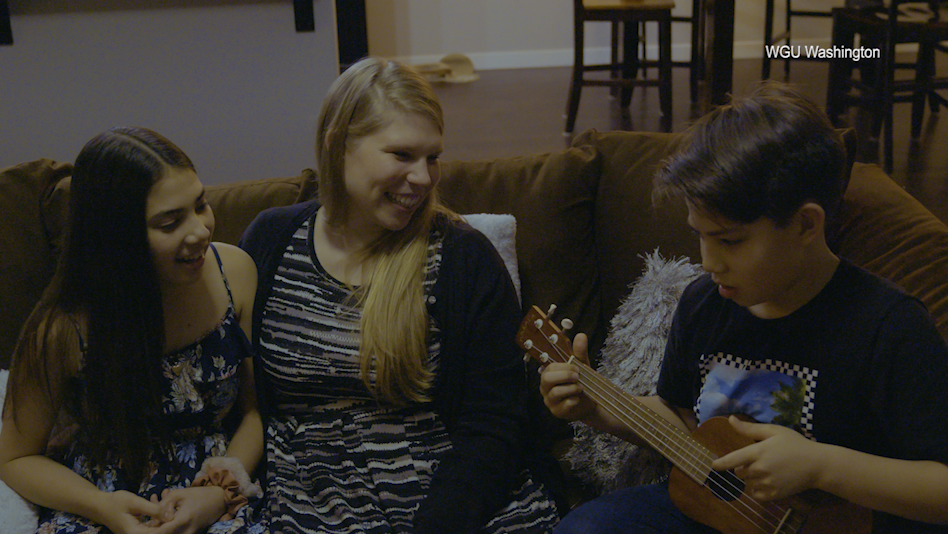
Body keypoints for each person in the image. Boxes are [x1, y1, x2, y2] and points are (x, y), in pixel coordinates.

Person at [539, 82, 948, 534]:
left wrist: (820, 466)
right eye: (700, 235)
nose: (710, 262)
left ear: (806, 224)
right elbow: (683, 420)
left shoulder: (889, 327)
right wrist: (596, 409)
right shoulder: (702, 304)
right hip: (713, 509)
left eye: (730, 240)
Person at [237, 56, 561, 534]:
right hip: (312, 500)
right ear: (337, 145)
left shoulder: (461, 255)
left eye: (432, 157)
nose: (424, 178)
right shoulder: (272, 239)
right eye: (402, 155)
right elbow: (230, 386)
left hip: (451, 501)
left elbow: (494, 424)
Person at [0, 127, 265, 534]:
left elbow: (254, 412)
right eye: (170, 222)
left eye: (200, 205)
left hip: (214, 489)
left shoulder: (237, 273)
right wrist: (103, 507)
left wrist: (218, 494)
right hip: (105, 500)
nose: (199, 231)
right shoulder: (64, 327)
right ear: (117, 237)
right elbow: (14, 458)